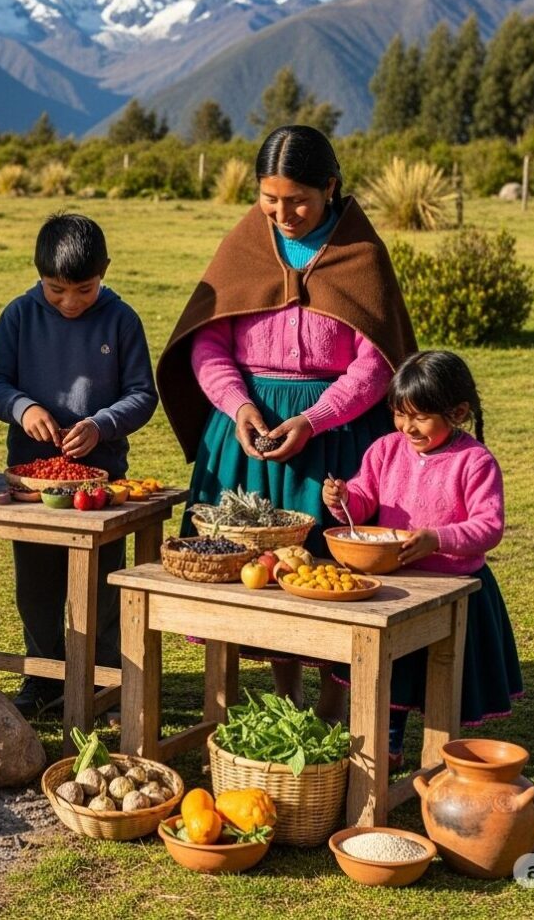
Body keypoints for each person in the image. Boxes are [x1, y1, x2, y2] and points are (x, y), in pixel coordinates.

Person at [157, 125, 416, 720]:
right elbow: (208, 343)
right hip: (244, 436)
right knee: (256, 569)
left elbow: (375, 363)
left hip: (338, 438)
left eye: (298, 199)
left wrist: (314, 417)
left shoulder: (361, 256)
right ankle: (285, 696)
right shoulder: (245, 245)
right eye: (269, 200)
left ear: (330, 187)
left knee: (331, 571)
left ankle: (334, 706)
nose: (283, 213)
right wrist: (239, 406)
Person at [0, 212, 158, 716]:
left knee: (103, 583)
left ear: (105, 271)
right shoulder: (19, 315)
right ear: (39, 275)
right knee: (36, 584)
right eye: (56, 290)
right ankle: (42, 675)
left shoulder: (121, 320)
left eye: (83, 289)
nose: (70, 302)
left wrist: (102, 425)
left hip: (102, 483)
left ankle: (105, 676)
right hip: (29, 480)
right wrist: (23, 408)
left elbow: (143, 395)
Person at [324, 350, 523, 767]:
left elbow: (489, 527)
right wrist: (343, 499)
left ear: (458, 411)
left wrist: (438, 538)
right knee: (396, 673)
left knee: (441, 676)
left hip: (455, 589)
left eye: (419, 417)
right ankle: (388, 747)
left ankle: (441, 757)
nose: (406, 426)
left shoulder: (475, 462)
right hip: (397, 584)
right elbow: (362, 500)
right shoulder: (384, 450)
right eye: (399, 414)